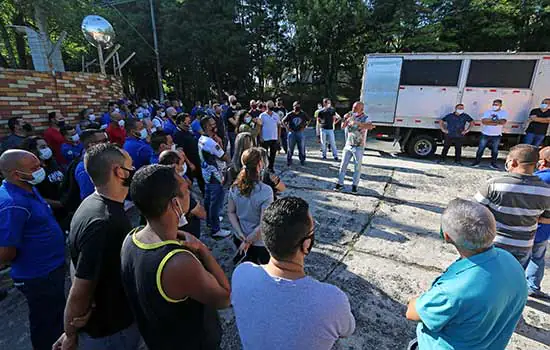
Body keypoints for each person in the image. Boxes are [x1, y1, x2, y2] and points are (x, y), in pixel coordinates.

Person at [120, 165, 229, 350]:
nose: (188, 186)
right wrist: (203, 250)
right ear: (175, 204)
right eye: (185, 189)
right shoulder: (178, 262)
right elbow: (224, 298)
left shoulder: (131, 238)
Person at [232, 196, 355, 349]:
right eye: (312, 229)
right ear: (306, 244)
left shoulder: (241, 273)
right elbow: (348, 330)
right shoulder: (332, 300)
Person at [406, 198, 527, 350]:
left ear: (447, 236)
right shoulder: (511, 261)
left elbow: (412, 312)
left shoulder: (453, 291)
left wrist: (415, 301)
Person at [54, 143, 140, 350]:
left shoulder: (90, 204)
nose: (134, 169)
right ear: (119, 171)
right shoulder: (104, 222)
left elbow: (78, 263)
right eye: (131, 165)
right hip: (111, 331)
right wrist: (70, 333)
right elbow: (81, 287)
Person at [0, 150, 66, 350]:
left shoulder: (26, 188)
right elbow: (6, 251)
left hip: (51, 268)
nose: (41, 170)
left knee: (55, 316)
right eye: (34, 168)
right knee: (46, 324)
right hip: (38, 275)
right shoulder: (12, 204)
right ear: (15, 174)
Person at [475, 144, 550, 268]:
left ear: (513, 162)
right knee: (512, 280)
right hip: (523, 246)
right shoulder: (545, 190)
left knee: (488, 278)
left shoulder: (494, 184)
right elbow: (546, 218)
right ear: (535, 164)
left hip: (494, 243)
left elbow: (474, 211)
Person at [229, 148, 273, 265]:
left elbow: (231, 212)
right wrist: (249, 240)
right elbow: (263, 222)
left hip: (240, 238)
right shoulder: (266, 191)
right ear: (259, 164)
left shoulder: (234, 187)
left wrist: (241, 234)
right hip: (260, 243)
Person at [158, 150, 205, 238]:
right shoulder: (179, 188)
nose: (183, 167)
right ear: (174, 166)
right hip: (187, 234)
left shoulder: (159, 182)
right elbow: (200, 213)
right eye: (182, 163)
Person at [199, 116, 231, 238]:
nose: (215, 125)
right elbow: (224, 156)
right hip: (215, 176)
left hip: (207, 174)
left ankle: (210, 221)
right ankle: (215, 228)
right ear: (207, 126)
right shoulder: (210, 143)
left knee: (208, 200)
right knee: (216, 202)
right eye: (212, 124)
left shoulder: (202, 139)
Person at [21, 136, 66, 225]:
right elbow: (33, 197)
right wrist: (59, 203)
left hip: (64, 210)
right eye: (42, 147)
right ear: (32, 150)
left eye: (47, 146)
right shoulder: (29, 171)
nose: (47, 149)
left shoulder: (52, 162)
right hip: (49, 214)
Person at [334, 102, 375, 194]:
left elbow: (370, 126)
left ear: (361, 109)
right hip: (348, 145)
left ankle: (354, 186)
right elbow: (342, 127)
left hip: (359, 146)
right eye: (353, 107)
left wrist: (357, 123)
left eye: (356, 108)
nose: (353, 110)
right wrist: (345, 119)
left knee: (357, 167)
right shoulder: (350, 116)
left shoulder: (366, 117)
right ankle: (340, 184)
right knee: (343, 166)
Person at [527, 146, 550, 299]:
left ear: (542, 162)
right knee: (537, 258)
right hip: (545, 230)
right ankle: (533, 286)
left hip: (530, 228)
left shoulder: (538, 179)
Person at [472, 99, 508, 169]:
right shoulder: (488, 112)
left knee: (495, 150)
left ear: (500, 105)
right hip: (485, 133)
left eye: (497, 104)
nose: (495, 106)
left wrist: (490, 121)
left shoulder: (504, 113)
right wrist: (496, 122)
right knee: (480, 149)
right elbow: (484, 121)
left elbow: (503, 122)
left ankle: (493, 164)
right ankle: (476, 162)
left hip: (496, 135)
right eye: (494, 104)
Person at [173, 113, 205, 194]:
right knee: (189, 181)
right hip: (189, 161)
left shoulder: (187, 131)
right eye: (187, 122)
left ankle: (204, 193)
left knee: (201, 178)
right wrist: (189, 163)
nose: (189, 124)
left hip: (196, 158)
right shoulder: (177, 134)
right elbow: (180, 151)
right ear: (180, 122)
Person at [74, 130, 109, 201]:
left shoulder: (101, 159)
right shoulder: (85, 169)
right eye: (104, 141)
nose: (108, 143)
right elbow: (88, 198)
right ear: (92, 145)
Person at [282, 101, 311, 166]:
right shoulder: (290, 114)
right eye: (295, 106)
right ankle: (289, 160)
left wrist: (305, 126)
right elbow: (283, 121)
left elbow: (309, 120)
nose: (297, 107)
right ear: (293, 106)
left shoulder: (303, 114)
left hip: (300, 132)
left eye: (298, 106)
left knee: (301, 147)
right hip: (292, 133)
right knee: (290, 148)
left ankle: (302, 160)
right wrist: (287, 128)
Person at [259, 100, 281, 172]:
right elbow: (260, 127)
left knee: (273, 154)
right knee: (264, 154)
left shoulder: (276, 115)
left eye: (272, 106)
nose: (271, 107)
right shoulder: (262, 115)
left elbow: (279, 126)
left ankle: (271, 167)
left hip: (274, 137)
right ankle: (265, 166)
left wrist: (278, 137)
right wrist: (261, 136)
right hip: (265, 138)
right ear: (266, 107)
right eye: (269, 106)